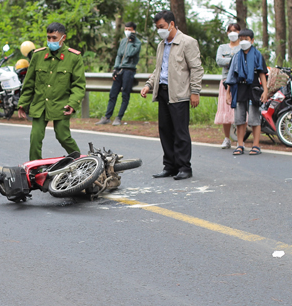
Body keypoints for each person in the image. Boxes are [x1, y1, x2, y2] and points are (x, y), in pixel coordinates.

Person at [140, 10, 204, 180]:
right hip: (162, 91)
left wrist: (195, 91)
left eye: (162, 26)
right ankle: (170, 166)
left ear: (172, 24)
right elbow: (158, 69)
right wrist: (148, 85)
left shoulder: (187, 42)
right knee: (165, 131)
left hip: (180, 93)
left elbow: (196, 69)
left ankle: (184, 167)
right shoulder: (162, 44)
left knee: (180, 131)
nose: (159, 30)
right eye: (157, 27)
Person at [18, 22, 86, 161]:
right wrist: (23, 103)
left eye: (54, 38)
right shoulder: (38, 55)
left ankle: (81, 161)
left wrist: (73, 103)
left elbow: (78, 85)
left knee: (63, 136)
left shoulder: (73, 57)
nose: (51, 41)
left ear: (63, 38)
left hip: (61, 104)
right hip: (40, 104)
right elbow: (29, 82)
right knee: (35, 137)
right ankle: (35, 169)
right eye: (48, 38)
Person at [224, 29, 269, 156]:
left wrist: (265, 91)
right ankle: (240, 145)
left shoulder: (257, 55)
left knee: (254, 118)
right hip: (239, 88)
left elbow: (262, 73)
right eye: (241, 39)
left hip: (253, 87)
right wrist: (228, 92)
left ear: (252, 40)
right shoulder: (236, 56)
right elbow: (231, 76)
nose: (243, 41)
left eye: (246, 39)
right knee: (239, 119)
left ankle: (256, 145)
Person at [96, 22, 142, 126]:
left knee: (125, 95)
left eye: (129, 29)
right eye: (126, 29)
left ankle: (118, 118)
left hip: (129, 71)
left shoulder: (137, 43)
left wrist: (131, 41)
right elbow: (118, 55)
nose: (127, 31)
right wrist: (115, 68)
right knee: (113, 94)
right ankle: (107, 117)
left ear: (134, 30)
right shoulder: (123, 41)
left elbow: (130, 53)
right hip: (120, 70)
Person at [214, 23, 242, 149]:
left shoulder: (243, 46)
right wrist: (234, 60)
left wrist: (229, 60)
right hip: (225, 81)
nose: (232, 33)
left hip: (240, 82)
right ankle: (227, 138)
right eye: (230, 31)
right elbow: (219, 61)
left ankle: (240, 140)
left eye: (235, 30)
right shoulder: (222, 47)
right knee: (225, 111)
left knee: (240, 111)